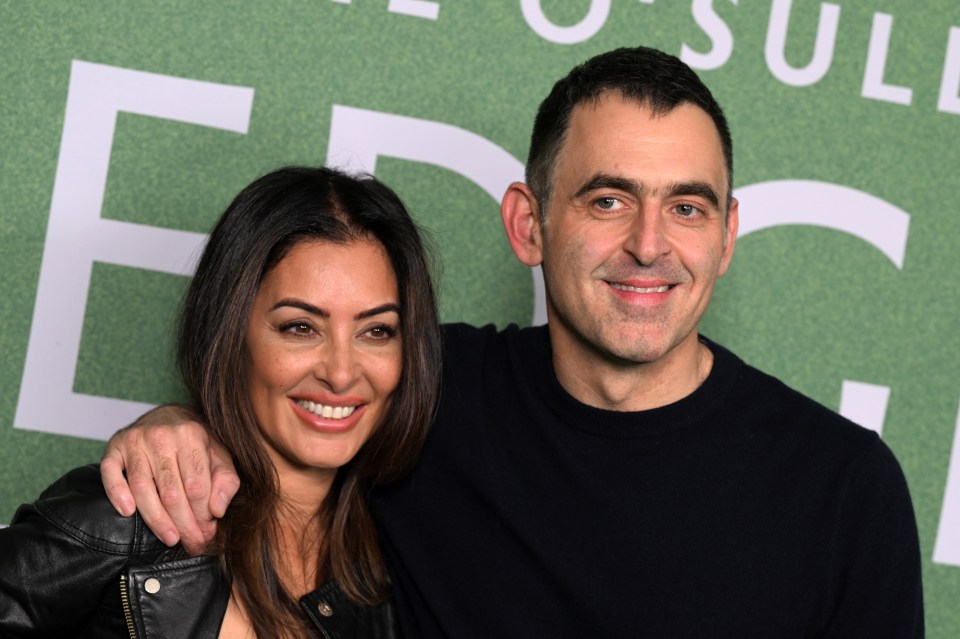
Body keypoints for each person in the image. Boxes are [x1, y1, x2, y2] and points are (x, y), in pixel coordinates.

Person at [99, 47, 924, 637]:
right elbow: (296, 393)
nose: (648, 244)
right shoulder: (424, 392)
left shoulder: (844, 487)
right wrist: (182, 421)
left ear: (727, 235)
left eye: (687, 206)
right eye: (608, 201)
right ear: (529, 223)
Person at [0, 166, 441, 638]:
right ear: (231, 334)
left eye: (376, 331)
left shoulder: (394, 571)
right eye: (300, 327)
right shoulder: (132, 514)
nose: (340, 372)